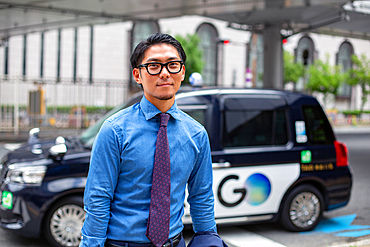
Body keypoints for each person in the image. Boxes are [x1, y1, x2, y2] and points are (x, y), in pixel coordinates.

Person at [79, 33, 227, 247]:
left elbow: (201, 196)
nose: (165, 73)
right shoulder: (114, 130)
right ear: (137, 75)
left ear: (182, 72)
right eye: (154, 66)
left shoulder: (197, 134)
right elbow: (98, 198)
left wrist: (209, 239)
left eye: (172, 65)